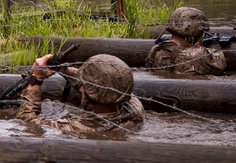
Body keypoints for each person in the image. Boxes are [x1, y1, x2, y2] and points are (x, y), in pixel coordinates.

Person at [14, 53, 145, 133]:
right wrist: (64, 70)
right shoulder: (136, 110)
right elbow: (111, 85)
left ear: (89, 95)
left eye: (84, 87)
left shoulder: (78, 128)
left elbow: (26, 120)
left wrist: (36, 80)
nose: (81, 87)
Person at [146, 7, 227, 75]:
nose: (203, 35)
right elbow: (220, 64)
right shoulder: (196, 55)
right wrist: (199, 45)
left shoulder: (156, 49)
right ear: (196, 31)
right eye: (202, 32)